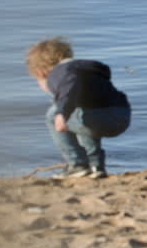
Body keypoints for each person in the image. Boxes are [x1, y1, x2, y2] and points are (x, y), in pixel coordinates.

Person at [25, 37, 131, 178]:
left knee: (52, 116)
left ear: (41, 72)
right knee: (81, 116)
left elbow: (70, 85)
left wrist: (62, 113)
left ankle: (77, 164)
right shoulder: (85, 70)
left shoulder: (59, 72)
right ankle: (96, 167)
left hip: (97, 118)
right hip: (121, 116)